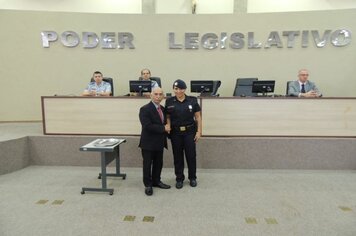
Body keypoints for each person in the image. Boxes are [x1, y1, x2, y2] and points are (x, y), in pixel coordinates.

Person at [165, 79, 202, 189]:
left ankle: (192, 178)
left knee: (191, 156)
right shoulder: (169, 101)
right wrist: (168, 126)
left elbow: (198, 117)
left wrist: (199, 131)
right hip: (175, 133)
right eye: (176, 89)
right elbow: (167, 116)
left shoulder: (192, 100)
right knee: (177, 157)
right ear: (173, 89)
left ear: (185, 89)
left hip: (189, 132)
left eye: (181, 89)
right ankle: (179, 178)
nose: (178, 91)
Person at [139, 87, 171, 196]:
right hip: (148, 143)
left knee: (158, 163)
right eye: (156, 94)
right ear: (151, 95)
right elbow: (147, 126)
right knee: (147, 164)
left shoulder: (162, 108)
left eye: (160, 94)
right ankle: (148, 185)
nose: (158, 96)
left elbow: (166, 123)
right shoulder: (144, 109)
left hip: (159, 142)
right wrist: (163, 128)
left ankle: (157, 181)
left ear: (163, 96)